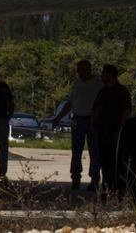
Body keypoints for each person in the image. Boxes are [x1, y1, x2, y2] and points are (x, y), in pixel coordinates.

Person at [52, 59, 102, 190]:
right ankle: (75, 177)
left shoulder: (98, 83)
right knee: (76, 151)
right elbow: (70, 103)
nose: (79, 72)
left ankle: (95, 178)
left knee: (95, 151)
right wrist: (58, 117)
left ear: (88, 69)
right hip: (78, 120)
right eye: (78, 70)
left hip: (93, 120)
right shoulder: (77, 84)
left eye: (81, 69)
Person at [90, 64, 132, 196]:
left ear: (110, 75)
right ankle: (106, 187)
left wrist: (120, 128)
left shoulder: (122, 91)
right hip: (102, 131)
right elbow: (96, 109)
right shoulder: (102, 92)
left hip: (115, 131)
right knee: (104, 161)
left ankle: (117, 189)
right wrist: (93, 125)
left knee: (116, 161)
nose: (102, 76)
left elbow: (126, 110)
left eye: (104, 73)